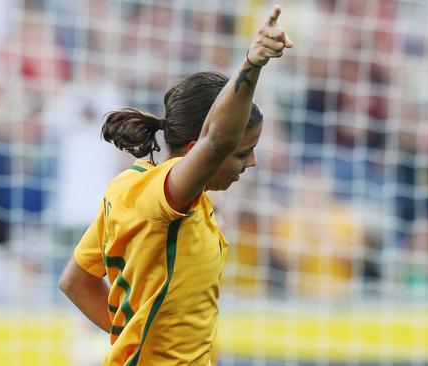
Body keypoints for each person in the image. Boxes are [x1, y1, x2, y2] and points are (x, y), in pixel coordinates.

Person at [58, 5, 293, 365]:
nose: (251, 163)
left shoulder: (130, 188)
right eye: (241, 152)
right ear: (196, 152)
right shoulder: (163, 198)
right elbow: (216, 138)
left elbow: (75, 281)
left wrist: (132, 341)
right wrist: (252, 62)